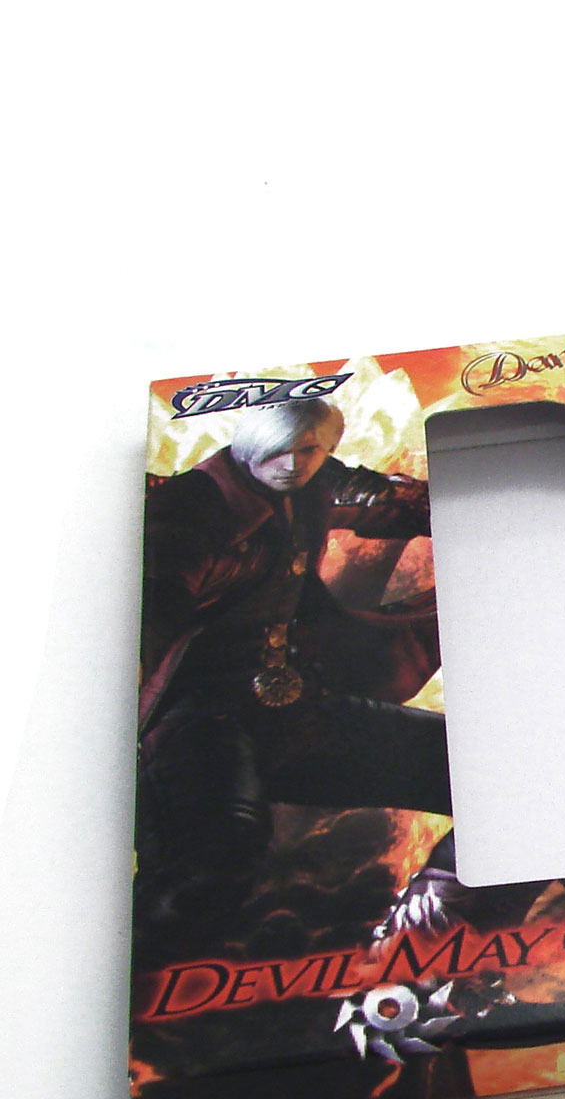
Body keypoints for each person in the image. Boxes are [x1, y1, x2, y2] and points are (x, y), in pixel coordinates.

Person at [135, 398, 447, 951]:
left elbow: (387, 502)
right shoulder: (185, 511)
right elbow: (148, 626)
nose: (293, 464)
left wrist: (480, 505)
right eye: (278, 451)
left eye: (309, 450)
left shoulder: (312, 480)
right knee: (212, 865)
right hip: (191, 720)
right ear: (248, 445)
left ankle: (433, 933)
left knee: (471, 761)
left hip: (291, 707)